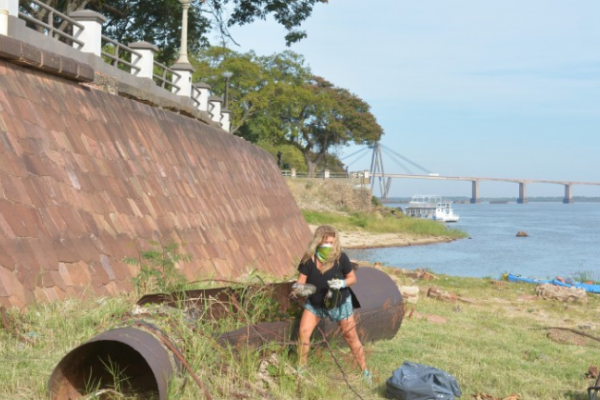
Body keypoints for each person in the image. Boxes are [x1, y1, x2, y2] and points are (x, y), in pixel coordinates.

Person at [293, 224, 371, 381]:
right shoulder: (308, 260)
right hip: (315, 303)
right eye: (325, 242)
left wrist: (341, 283)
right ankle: (301, 370)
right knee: (303, 333)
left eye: (331, 242)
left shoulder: (340, 257)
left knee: (350, 336)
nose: (328, 246)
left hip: (340, 302)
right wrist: (305, 289)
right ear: (318, 241)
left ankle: (365, 372)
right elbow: (299, 284)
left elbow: (352, 278)